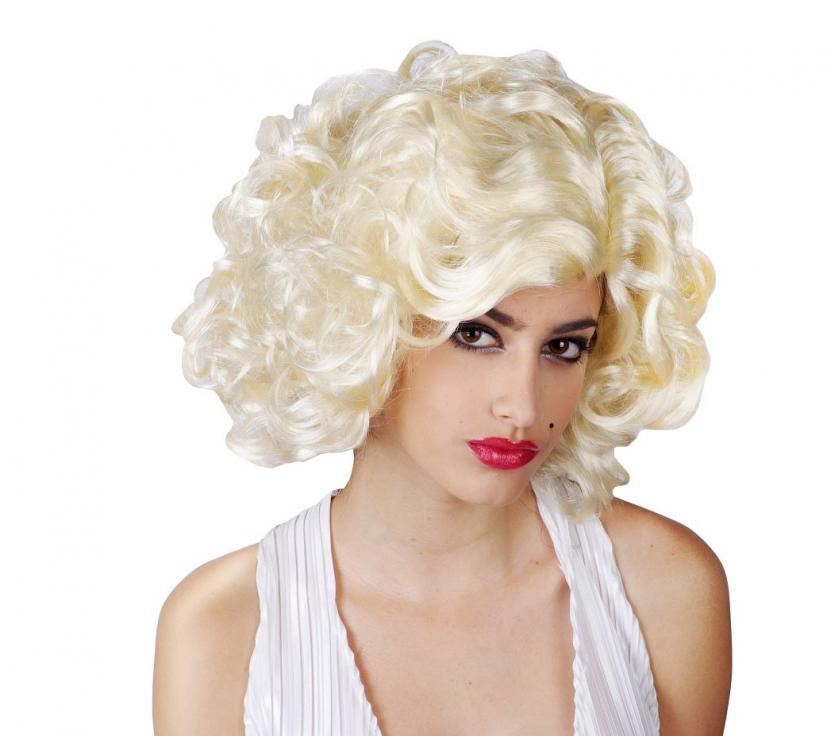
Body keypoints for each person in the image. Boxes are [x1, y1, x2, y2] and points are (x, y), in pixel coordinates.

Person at [153, 40, 731, 736]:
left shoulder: (661, 587)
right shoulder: (225, 629)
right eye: (476, 334)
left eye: (563, 346)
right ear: (361, 320)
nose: (522, 405)